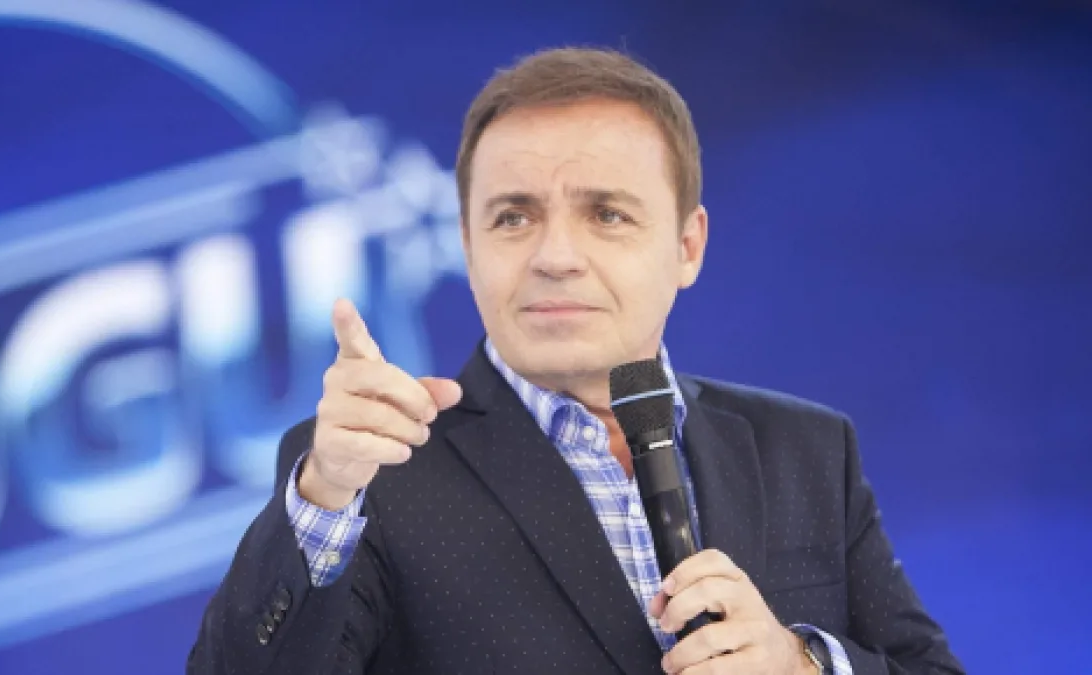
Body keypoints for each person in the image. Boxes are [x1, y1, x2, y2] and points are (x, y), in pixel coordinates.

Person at [188, 47, 964, 674]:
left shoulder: (806, 448)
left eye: (607, 214)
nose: (556, 256)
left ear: (687, 246)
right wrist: (324, 498)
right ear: (468, 247)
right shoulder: (366, 475)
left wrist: (801, 664)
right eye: (513, 217)